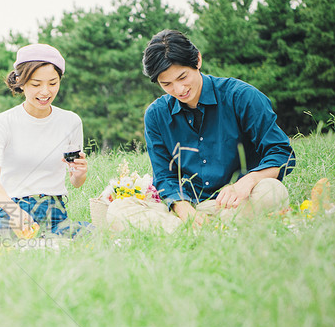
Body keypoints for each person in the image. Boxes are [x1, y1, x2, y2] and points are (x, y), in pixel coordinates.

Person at [109, 30, 296, 230]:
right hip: (187, 208)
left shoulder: (242, 96)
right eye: (167, 84)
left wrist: (249, 181)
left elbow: (280, 152)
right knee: (118, 210)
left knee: (272, 191)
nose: (179, 90)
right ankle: (210, 229)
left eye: (183, 77)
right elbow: (164, 176)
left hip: (237, 202)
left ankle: (192, 231)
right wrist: (185, 211)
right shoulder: (156, 115)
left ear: (197, 60)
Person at [0, 43, 89, 236]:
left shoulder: (71, 121)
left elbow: (75, 182)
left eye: (52, 83)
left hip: (54, 212)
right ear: (21, 82)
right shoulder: (1, 123)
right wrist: (15, 213)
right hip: (13, 211)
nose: (45, 92)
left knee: (90, 235)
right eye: (36, 84)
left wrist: (80, 173)